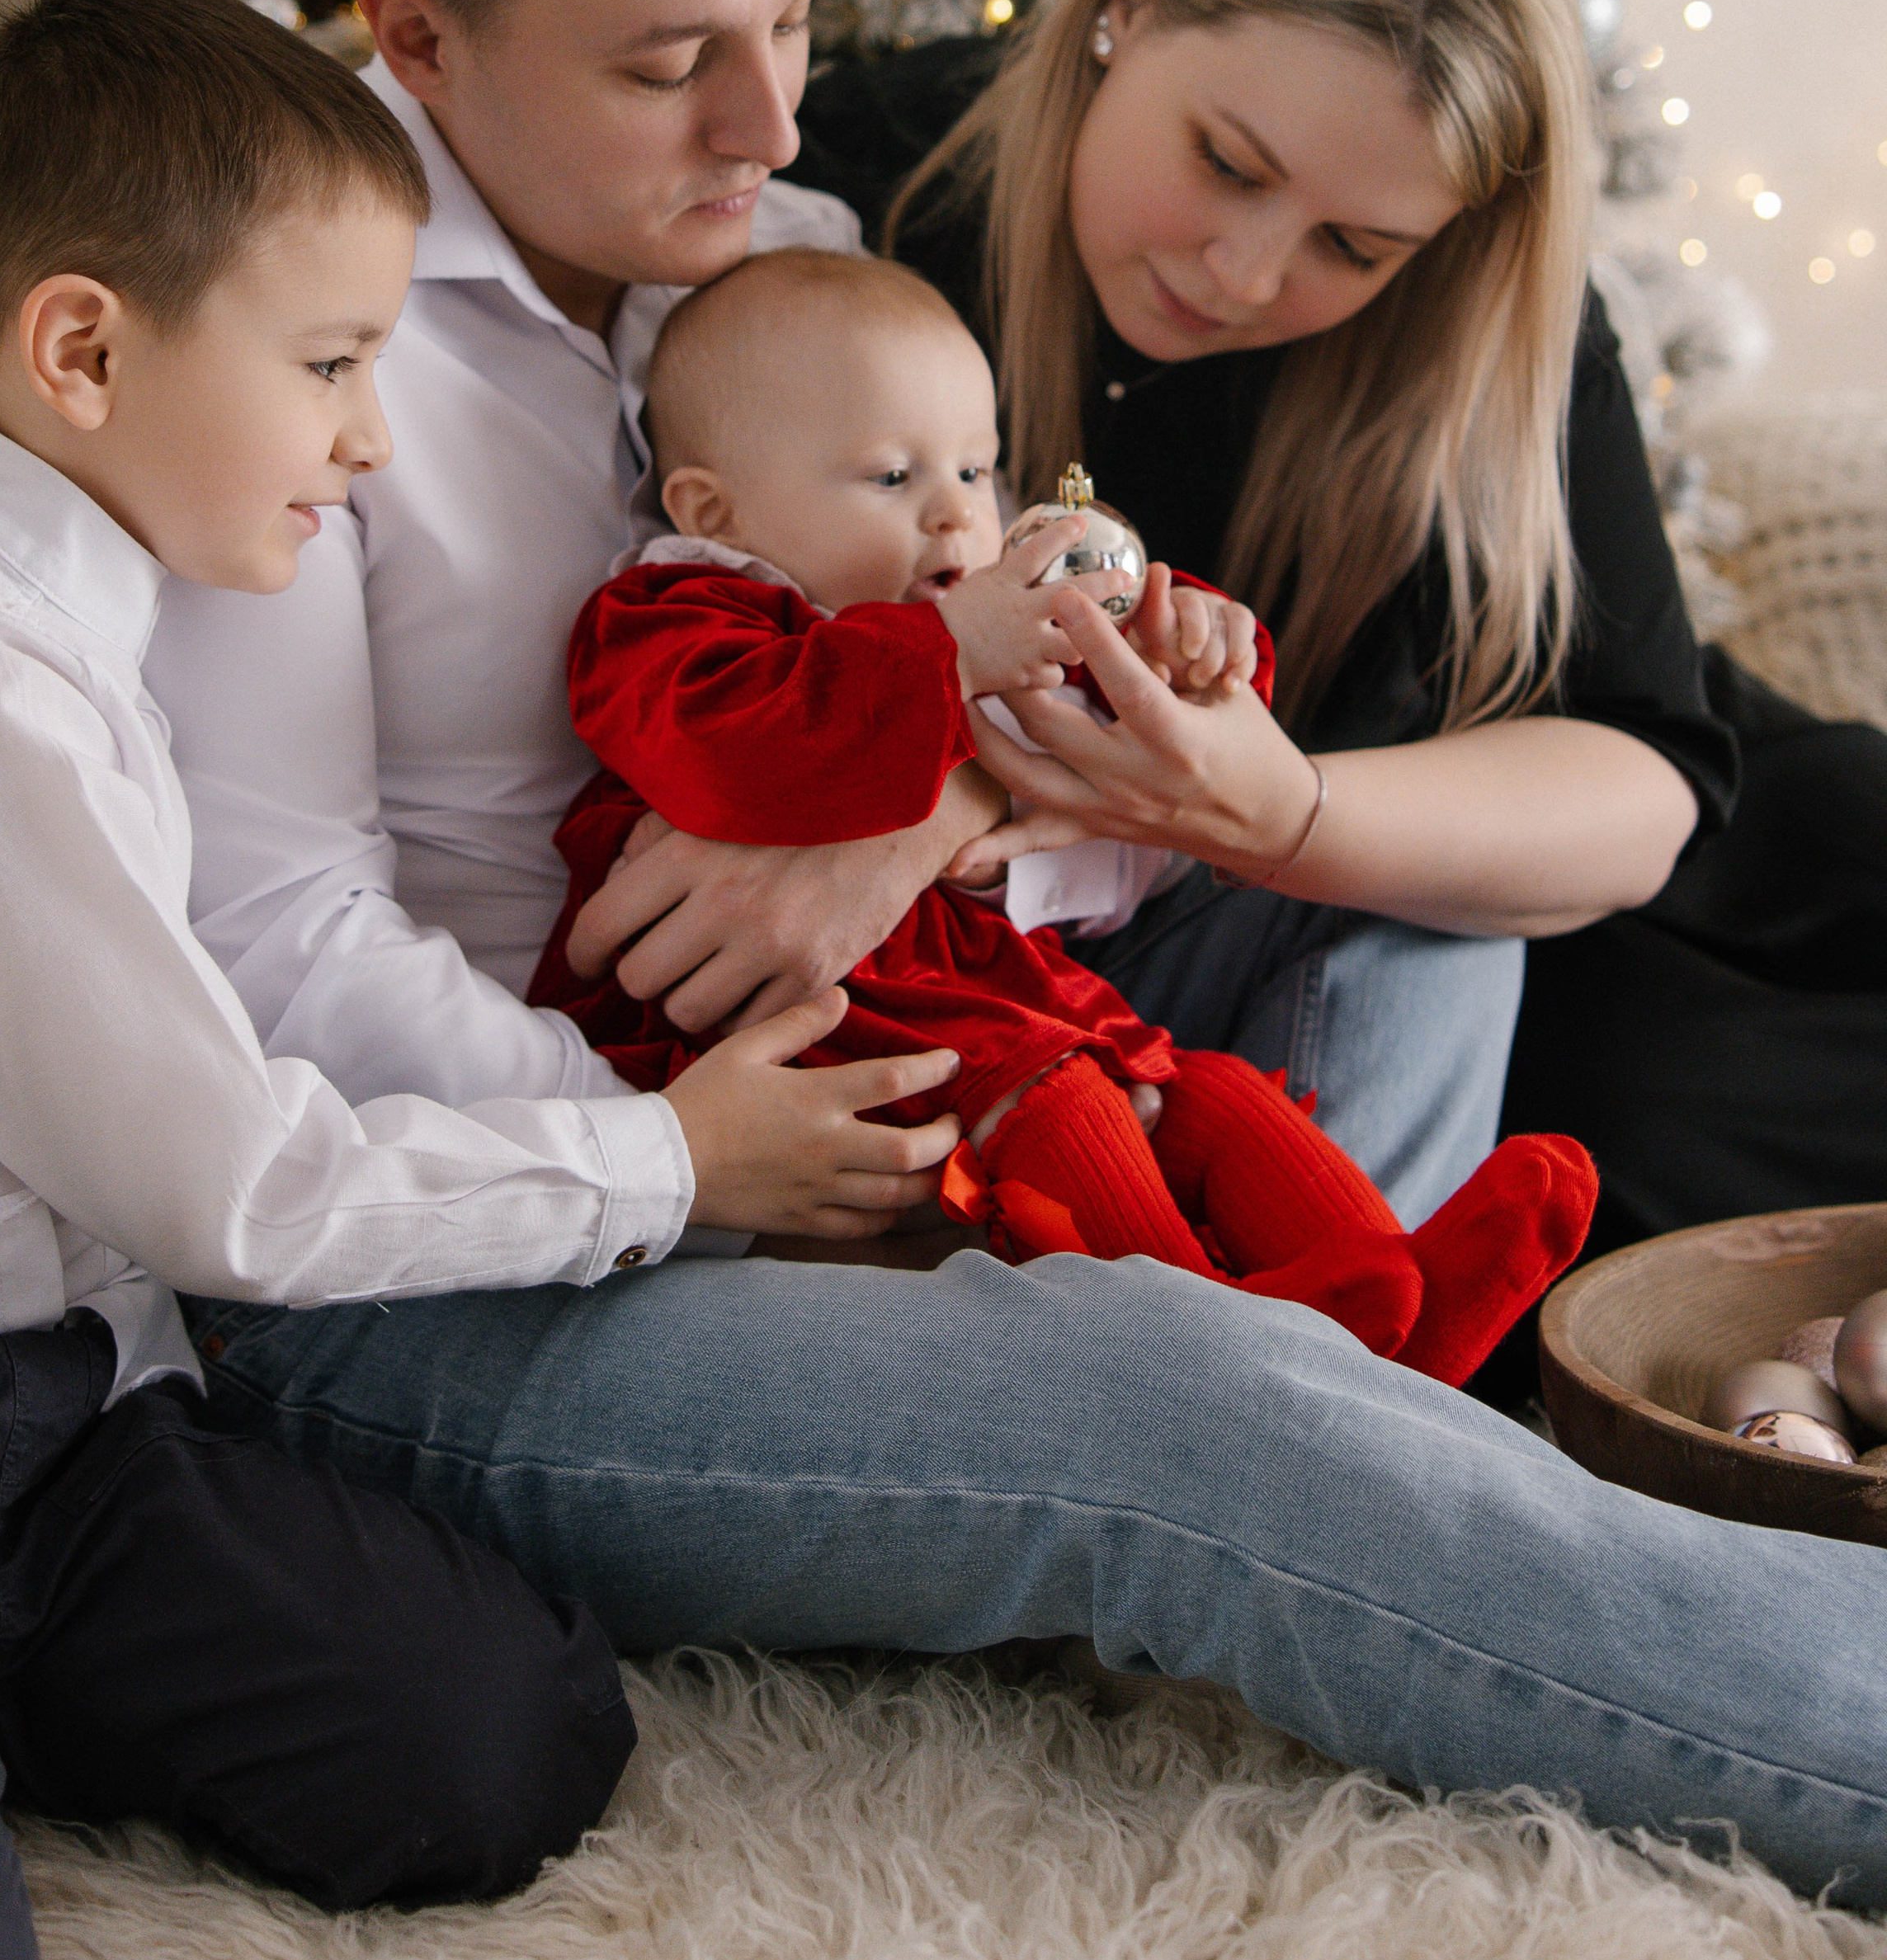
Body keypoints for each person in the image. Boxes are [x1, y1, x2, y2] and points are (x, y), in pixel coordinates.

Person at [149, 0, 1887, 1908]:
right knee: (1166, 1395)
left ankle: (1326, 1385)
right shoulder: (273, 328)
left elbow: (951, 626)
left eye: (790, 18)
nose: (775, 115)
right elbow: (263, 948)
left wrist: (996, 769)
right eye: (678, 56)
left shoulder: (778, 245)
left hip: (870, 1076)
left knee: (1395, 889)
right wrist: (676, 1152)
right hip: (461, 1249)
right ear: (418, 36)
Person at [0, 0, 957, 1960]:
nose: (370, 435)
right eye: (328, 363)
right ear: (82, 347)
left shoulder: (77, 615)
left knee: (501, 1739)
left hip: (68, 1420)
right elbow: (225, 1181)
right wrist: (666, 1160)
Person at [531, 241, 1598, 1380]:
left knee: (1209, 1096)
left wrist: (1187, 649)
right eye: (894, 478)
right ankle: (1214, 1367)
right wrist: (952, 650)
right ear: (716, 504)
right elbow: (743, 761)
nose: (956, 522)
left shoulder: (958, 625)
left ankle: (1392, 1302)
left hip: (1000, 1008)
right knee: (1062, 1110)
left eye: (976, 473)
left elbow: (1110, 743)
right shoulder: (674, 619)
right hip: (814, 1049)